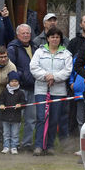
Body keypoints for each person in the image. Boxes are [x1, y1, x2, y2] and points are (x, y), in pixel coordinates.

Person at [30, 27, 72, 156]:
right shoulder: (39, 52)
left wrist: (54, 77)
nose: (55, 39)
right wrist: (46, 76)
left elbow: (67, 71)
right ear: (47, 38)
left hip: (58, 91)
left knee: (54, 119)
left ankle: (50, 146)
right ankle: (38, 145)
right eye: (52, 37)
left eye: (57, 37)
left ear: (60, 39)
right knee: (41, 118)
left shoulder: (66, 54)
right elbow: (33, 67)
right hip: (41, 90)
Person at [6, 24, 37, 151]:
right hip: (19, 89)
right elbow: (11, 68)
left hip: (33, 88)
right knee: (16, 118)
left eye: (28, 33)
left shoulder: (35, 47)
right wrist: (22, 75)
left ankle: (27, 144)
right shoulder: (13, 48)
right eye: (23, 33)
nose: (25, 35)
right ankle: (14, 144)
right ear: (18, 35)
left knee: (31, 118)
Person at [0, 71, 25, 155]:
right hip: (5, 117)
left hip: (16, 117)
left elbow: (24, 103)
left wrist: (20, 104)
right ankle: (6, 146)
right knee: (6, 133)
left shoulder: (21, 92)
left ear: (18, 82)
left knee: (15, 133)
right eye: (12, 81)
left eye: (16, 81)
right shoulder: (5, 91)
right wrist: (1, 105)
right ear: (9, 82)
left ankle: (14, 147)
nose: (14, 83)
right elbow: (1, 100)